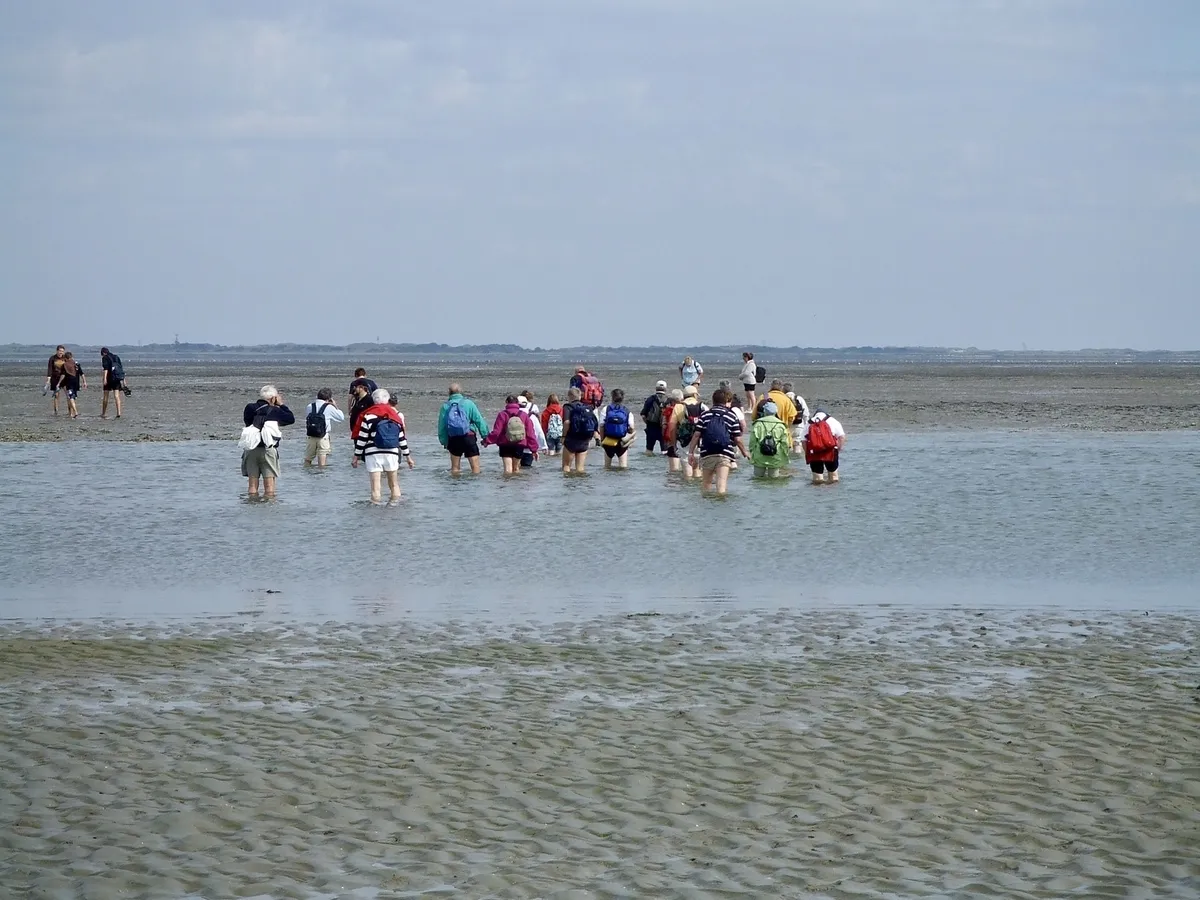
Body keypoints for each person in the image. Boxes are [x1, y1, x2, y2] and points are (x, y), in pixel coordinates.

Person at [352, 388, 413, 501]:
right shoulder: (394, 416)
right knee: (394, 485)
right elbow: (402, 439)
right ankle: (394, 507)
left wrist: (356, 456)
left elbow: (362, 439)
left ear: (374, 401)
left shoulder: (368, 416)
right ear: (388, 400)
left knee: (376, 488)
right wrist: (408, 457)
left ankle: (375, 510)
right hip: (392, 452)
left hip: (373, 453)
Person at [687, 388, 749, 495]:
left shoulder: (705, 415)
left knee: (706, 485)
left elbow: (696, 435)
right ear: (727, 402)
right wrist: (745, 452)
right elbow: (737, 439)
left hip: (707, 453)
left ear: (713, 401)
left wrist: (691, 453)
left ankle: (706, 508)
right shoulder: (731, 416)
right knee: (721, 485)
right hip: (724, 454)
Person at [241, 385, 295, 498]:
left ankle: (252, 503)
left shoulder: (249, 408)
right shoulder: (275, 411)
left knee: (252, 484)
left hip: (251, 448)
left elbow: (247, 421)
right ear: (273, 398)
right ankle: (269, 506)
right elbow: (290, 419)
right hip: (268, 449)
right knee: (269, 486)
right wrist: (281, 405)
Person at [437, 383, 488, 475]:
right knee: (475, 469)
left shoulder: (445, 406)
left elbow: (442, 427)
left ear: (449, 393)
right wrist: (485, 437)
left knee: (455, 469)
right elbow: (479, 420)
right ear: (460, 392)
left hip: (453, 438)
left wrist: (444, 441)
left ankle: (456, 487)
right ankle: (475, 487)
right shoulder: (468, 403)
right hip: (469, 437)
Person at [482, 394, 539, 475]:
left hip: (505, 444)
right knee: (516, 469)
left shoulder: (502, 414)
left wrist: (487, 441)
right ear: (517, 403)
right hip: (519, 444)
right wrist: (534, 449)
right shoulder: (524, 415)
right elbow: (530, 433)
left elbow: (496, 432)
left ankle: (507, 486)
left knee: (507, 469)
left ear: (506, 402)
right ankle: (517, 486)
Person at [668, 385, 707, 477]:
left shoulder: (678, 407)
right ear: (694, 395)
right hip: (700, 442)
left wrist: (673, 444)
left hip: (685, 442)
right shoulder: (702, 406)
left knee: (687, 468)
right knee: (697, 469)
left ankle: (688, 486)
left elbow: (672, 427)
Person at [802, 407, 847, 484]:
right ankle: (832, 494)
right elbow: (842, 437)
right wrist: (838, 449)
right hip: (830, 451)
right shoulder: (833, 421)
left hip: (814, 453)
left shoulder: (809, 422)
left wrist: (808, 452)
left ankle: (819, 493)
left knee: (817, 478)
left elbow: (803, 440)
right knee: (834, 477)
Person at [303, 388, 346, 467]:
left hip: (311, 435)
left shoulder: (310, 406)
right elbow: (341, 417)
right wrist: (335, 405)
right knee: (322, 464)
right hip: (323, 437)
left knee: (307, 460)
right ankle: (321, 477)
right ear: (329, 398)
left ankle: (307, 475)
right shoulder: (329, 407)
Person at [749, 400, 792, 478]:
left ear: (764, 411)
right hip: (775, 455)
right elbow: (785, 443)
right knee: (774, 480)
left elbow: (752, 442)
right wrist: (785, 455)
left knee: (757, 479)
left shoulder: (758, 424)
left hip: (759, 455)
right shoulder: (781, 425)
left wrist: (752, 452)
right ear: (775, 412)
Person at [595, 389, 636, 470]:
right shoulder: (627, 411)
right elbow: (631, 428)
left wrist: (602, 440)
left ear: (612, 397)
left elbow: (602, 426)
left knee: (607, 467)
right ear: (622, 398)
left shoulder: (606, 409)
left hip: (608, 440)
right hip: (622, 441)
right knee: (623, 467)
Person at [560, 387, 597, 474]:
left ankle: (567, 486)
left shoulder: (567, 407)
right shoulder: (587, 407)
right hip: (584, 439)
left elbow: (567, 422)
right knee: (580, 468)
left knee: (566, 466)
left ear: (569, 396)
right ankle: (580, 485)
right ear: (580, 396)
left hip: (571, 439)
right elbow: (594, 423)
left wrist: (563, 436)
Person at [517, 395, 548, 467]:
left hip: (513, 449)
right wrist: (544, 446)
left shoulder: (510, 414)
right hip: (528, 450)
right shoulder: (531, 416)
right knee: (526, 472)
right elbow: (539, 432)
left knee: (514, 470)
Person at [640, 380, 670, 455]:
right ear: (665, 389)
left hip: (651, 427)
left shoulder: (650, 399)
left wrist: (648, 423)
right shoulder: (668, 400)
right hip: (664, 428)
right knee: (665, 452)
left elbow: (643, 415)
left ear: (656, 388)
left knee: (649, 451)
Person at [99, 347, 129, 418]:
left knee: (106, 396)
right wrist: (123, 380)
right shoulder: (116, 357)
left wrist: (105, 379)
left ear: (103, 353)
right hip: (117, 378)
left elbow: (105, 369)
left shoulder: (105, 358)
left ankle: (103, 413)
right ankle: (118, 413)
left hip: (109, 378)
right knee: (116, 396)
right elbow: (121, 369)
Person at [59, 352, 86, 418]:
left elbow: (63, 375)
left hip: (69, 383)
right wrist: (84, 382)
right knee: (73, 397)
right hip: (76, 383)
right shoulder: (77, 364)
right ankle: (71, 413)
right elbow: (82, 374)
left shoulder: (64, 365)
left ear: (66, 358)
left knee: (71, 397)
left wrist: (59, 383)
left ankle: (75, 412)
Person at [45, 345, 67, 415]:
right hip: (55, 378)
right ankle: (56, 411)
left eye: (62, 351)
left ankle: (70, 412)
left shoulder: (65, 358)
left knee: (68, 394)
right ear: (57, 351)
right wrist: (48, 380)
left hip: (64, 378)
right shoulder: (52, 358)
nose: (61, 353)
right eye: (60, 351)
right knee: (56, 395)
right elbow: (50, 369)